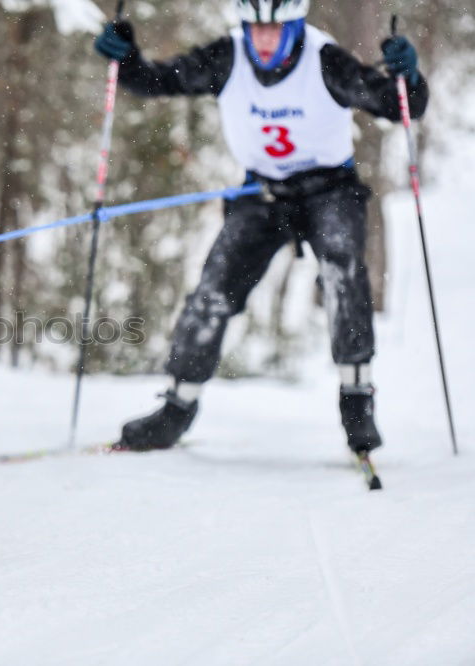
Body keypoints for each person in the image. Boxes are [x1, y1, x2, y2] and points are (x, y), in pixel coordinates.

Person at [93, 0, 429, 453]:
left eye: (276, 28)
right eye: (255, 28)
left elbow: (399, 106)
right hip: (262, 193)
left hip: (329, 187)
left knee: (343, 271)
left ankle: (356, 401)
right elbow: (156, 81)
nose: (264, 39)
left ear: (295, 27)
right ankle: (176, 407)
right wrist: (126, 58)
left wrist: (407, 76)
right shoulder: (227, 56)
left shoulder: (324, 60)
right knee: (213, 291)